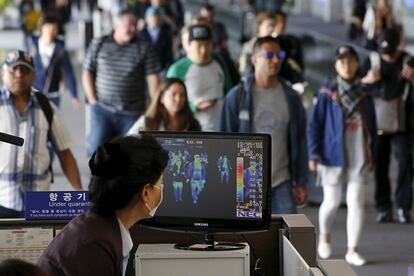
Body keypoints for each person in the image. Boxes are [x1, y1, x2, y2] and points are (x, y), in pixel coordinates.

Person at [38, 135, 168, 276]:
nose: (161, 189)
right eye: (160, 184)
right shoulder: (95, 244)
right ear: (146, 193)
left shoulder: (99, 227)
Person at [219, 36, 308, 214]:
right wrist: (225, 183)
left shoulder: (290, 97)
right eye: (269, 55)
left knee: (286, 237)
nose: (275, 60)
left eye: (279, 55)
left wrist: (301, 181)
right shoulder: (237, 97)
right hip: (245, 182)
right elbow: (224, 142)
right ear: (254, 59)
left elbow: (300, 141)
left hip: (281, 180)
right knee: (248, 237)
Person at [308, 45, 377, 266]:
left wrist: (373, 152)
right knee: (331, 201)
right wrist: (313, 153)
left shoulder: (366, 93)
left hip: (359, 154)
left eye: (350, 61)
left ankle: (352, 249)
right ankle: (325, 236)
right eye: (341, 62)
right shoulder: (327, 92)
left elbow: (373, 127)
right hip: (331, 154)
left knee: (356, 201)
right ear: (336, 65)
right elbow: (315, 125)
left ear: (357, 64)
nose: (346, 66)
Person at [0, 50, 82, 218]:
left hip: (39, 202)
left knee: (39, 245)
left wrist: (80, 194)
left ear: (33, 75)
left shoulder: (46, 107)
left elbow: (64, 153)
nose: (19, 75)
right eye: (13, 69)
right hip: (3, 198)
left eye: (25, 70)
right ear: (3, 72)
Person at [83, 9, 161, 156]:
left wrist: (154, 108)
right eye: (129, 25)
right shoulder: (99, 43)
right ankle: (100, 179)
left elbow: (153, 79)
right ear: (117, 25)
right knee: (96, 150)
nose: (133, 29)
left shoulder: (144, 47)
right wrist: (93, 100)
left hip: (132, 112)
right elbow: (87, 71)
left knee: (130, 153)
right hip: (102, 110)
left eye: (135, 25)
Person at [361, 28, 414, 224]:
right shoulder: (372, 61)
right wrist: (367, 80)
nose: (387, 56)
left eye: (390, 53)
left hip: (404, 121)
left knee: (405, 163)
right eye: (384, 52)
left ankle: (402, 206)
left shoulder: (409, 61)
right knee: (380, 164)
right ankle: (383, 207)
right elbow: (357, 85)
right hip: (377, 120)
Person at [167, 24, 232, 131]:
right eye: (199, 45)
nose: (203, 50)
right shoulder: (178, 69)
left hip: (219, 128)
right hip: (189, 130)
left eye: (207, 45)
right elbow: (168, 102)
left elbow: (228, 91)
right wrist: (194, 106)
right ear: (189, 45)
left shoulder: (219, 62)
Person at [30, 14, 80, 109]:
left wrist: (74, 95)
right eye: (48, 27)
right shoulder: (32, 45)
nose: (50, 31)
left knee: (52, 122)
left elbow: (68, 72)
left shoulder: (60, 49)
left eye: (54, 28)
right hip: (34, 93)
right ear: (42, 28)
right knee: (35, 121)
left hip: (53, 94)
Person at [127, 78, 201, 133]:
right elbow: (127, 142)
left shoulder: (193, 123)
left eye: (182, 95)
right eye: (173, 94)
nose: (178, 99)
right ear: (161, 98)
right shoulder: (147, 121)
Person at [139, 6, 173, 75]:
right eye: (151, 16)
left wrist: (168, 68)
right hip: (145, 70)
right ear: (146, 18)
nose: (153, 19)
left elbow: (169, 54)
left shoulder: (166, 33)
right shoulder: (141, 34)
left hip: (162, 69)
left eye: (155, 16)